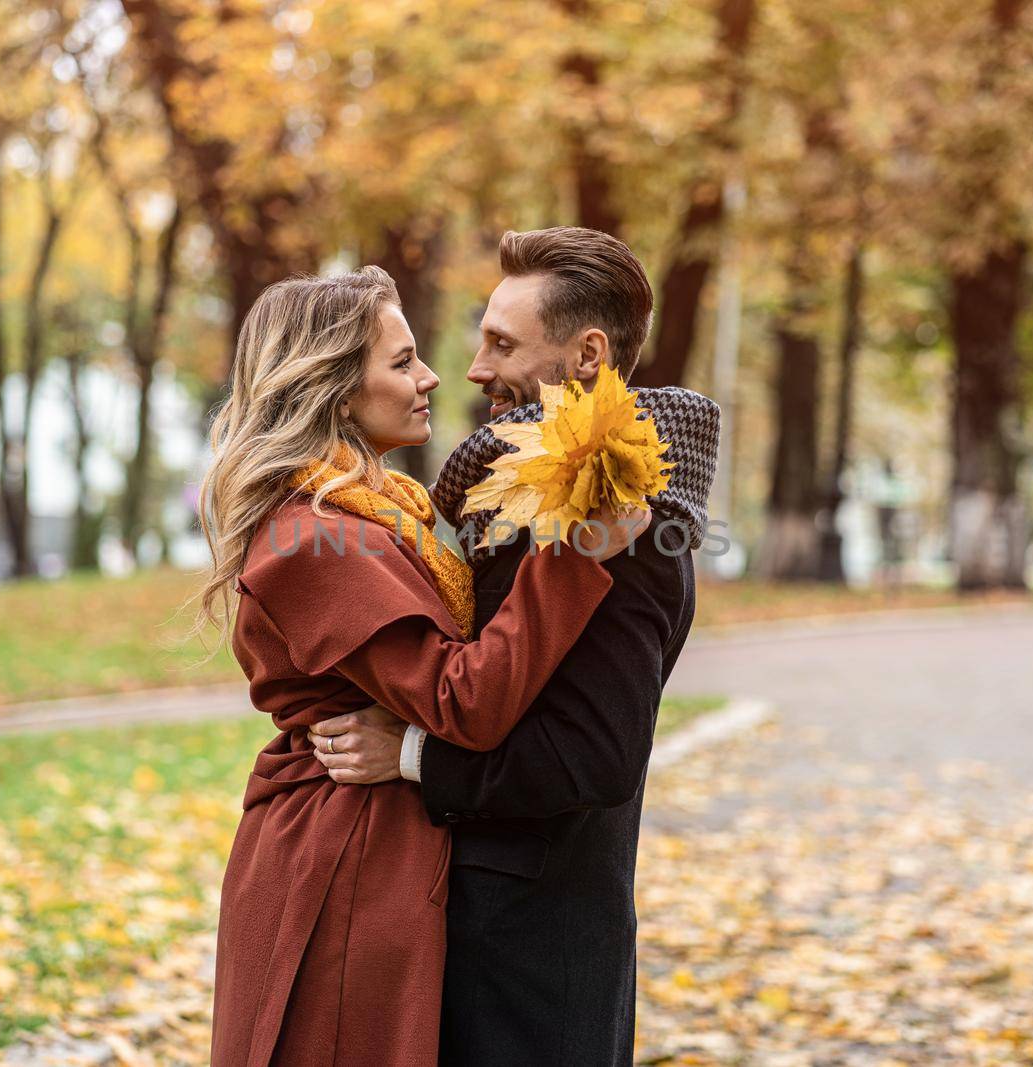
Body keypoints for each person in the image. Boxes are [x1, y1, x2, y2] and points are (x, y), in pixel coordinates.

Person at [196, 265, 648, 1067]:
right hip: (340, 861)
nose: (434, 375)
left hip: (380, 840)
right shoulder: (310, 537)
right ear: (335, 388)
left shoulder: (381, 509)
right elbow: (461, 699)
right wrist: (574, 554)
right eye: (402, 362)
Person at [311, 228, 720, 1065]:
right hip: (483, 936)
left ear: (586, 354)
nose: (474, 369)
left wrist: (413, 756)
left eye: (502, 343)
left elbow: (599, 757)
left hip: (535, 957)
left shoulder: (623, 521)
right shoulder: (512, 497)